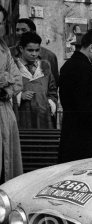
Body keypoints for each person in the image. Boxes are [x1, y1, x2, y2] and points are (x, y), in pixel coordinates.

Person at [58, 28, 92, 163]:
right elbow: (85, 103)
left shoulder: (87, 65)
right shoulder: (78, 67)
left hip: (81, 129)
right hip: (82, 133)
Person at [0, 5, 24, 183]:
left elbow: (17, 80)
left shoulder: (5, 50)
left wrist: (6, 87)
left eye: (0, 22)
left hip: (4, 111)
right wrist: (4, 78)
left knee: (6, 166)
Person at [14, 32, 57, 129]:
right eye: (30, 50)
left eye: (37, 50)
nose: (34, 54)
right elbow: (6, 92)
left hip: (43, 118)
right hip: (22, 118)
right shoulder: (13, 67)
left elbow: (53, 91)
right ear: (21, 49)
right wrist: (20, 96)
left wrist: (49, 103)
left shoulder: (45, 67)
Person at [10, 18, 59, 86]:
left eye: (23, 30)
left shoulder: (49, 56)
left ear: (33, 32)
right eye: (17, 30)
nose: (19, 33)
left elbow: (54, 84)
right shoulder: (8, 53)